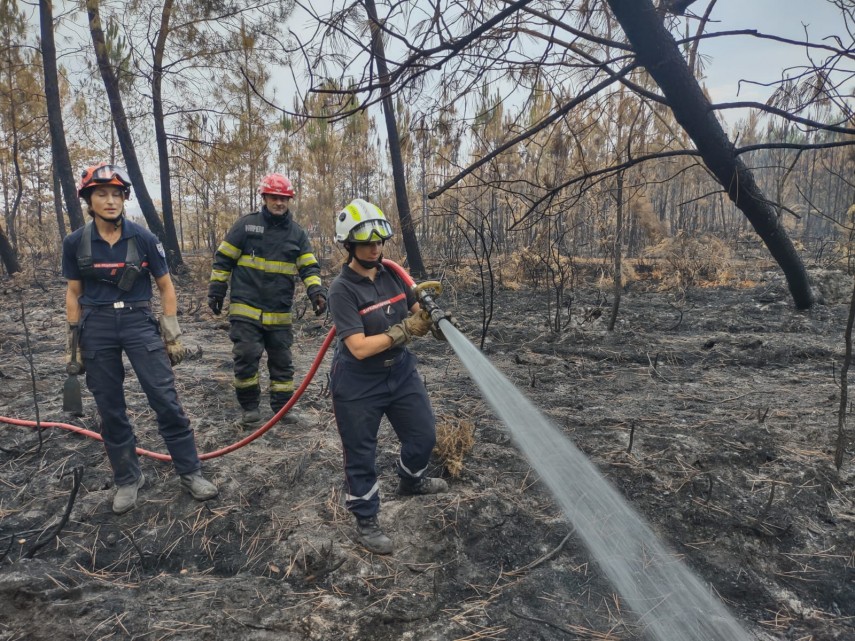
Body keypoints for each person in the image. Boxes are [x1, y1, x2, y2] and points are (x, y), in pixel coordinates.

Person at [61, 162, 218, 515]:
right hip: (97, 325)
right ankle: (128, 479)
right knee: (110, 407)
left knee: (165, 399)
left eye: (117, 194)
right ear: (89, 199)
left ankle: (191, 472)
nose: (110, 201)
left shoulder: (144, 238)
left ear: (124, 199)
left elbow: (166, 287)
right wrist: (73, 344)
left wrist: (172, 335)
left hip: (138, 321)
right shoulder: (76, 242)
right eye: (102, 194)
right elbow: (73, 293)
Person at [327, 198, 448, 555]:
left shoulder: (392, 273)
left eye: (380, 241)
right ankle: (366, 518)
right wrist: (406, 331)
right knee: (361, 452)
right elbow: (359, 347)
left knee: (424, 435)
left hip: (401, 372)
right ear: (349, 245)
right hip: (358, 382)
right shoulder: (341, 289)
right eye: (367, 242)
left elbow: (415, 309)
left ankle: (411, 480)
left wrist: (433, 319)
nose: (375, 247)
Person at [207, 173, 327, 428]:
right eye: (274, 197)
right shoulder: (246, 226)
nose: (279, 203)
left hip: (279, 312)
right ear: (264, 197)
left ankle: (282, 410)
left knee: (282, 363)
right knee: (247, 355)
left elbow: (309, 267)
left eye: (284, 198)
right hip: (245, 308)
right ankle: (250, 409)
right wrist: (217, 289)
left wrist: (316, 292)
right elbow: (224, 259)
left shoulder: (297, 234)